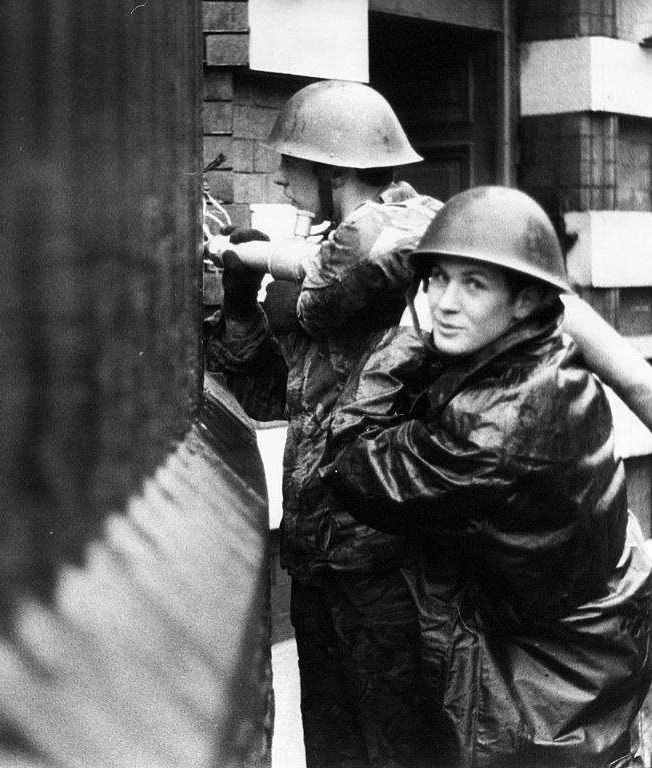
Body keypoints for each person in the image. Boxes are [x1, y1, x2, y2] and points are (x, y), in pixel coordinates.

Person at [319, 186, 652, 767]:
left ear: (525, 301)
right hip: (586, 648)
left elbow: (346, 462)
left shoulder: (491, 431)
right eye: (438, 279)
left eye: (473, 284)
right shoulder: (547, 362)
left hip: (546, 682)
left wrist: (406, 342)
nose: (445, 302)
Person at [203, 79, 443, 767]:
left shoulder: (396, 232)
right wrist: (239, 270)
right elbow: (264, 358)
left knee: (388, 743)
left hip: (378, 555)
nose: (280, 175)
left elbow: (331, 282)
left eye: (294, 164)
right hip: (324, 548)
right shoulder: (349, 242)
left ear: (334, 172)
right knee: (334, 741)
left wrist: (273, 265)